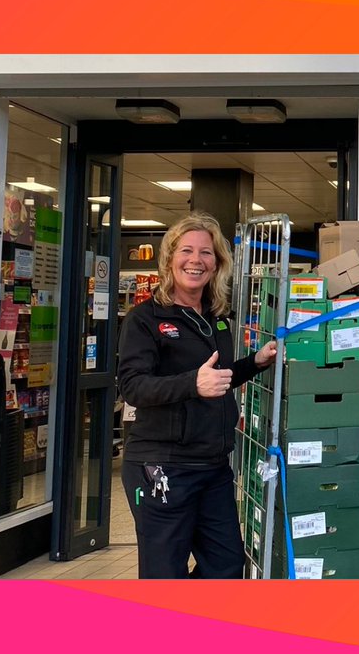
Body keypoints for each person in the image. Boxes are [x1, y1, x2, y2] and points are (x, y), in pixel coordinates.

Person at [117, 212, 277, 579]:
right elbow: (133, 387)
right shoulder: (145, 319)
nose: (196, 260)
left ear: (217, 263)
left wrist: (255, 362)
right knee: (165, 573)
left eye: (206, 253)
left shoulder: (216, 317)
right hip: (162, 466)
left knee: (225, 565)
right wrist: (193, 384)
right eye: (186, 251)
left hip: (213, 467)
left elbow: (215, 379)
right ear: (170, 258)